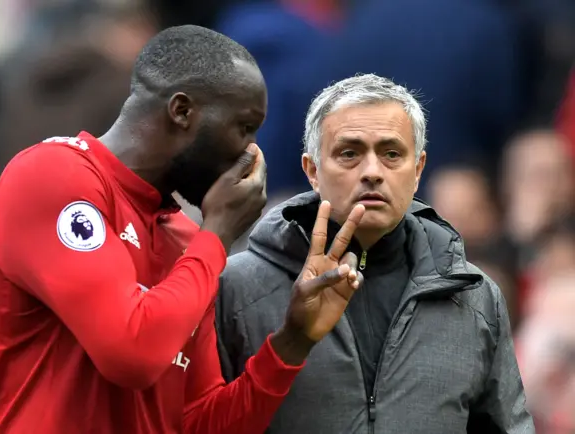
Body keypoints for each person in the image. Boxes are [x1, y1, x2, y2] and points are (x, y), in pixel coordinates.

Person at [0, 25, 365, 434]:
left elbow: (198, 422)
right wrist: (216, 234)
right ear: (182, 111)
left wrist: (292, 341)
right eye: (244, 127)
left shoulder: (185, 240)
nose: (252, 152)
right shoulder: (53, 175)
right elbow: (131, 354)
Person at [216, 74, 535, 434]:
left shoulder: (473, 296)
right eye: (349, 153)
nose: (372, 172)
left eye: (392, 154)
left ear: (417, 170)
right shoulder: (236, 287)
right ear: (312, 170)